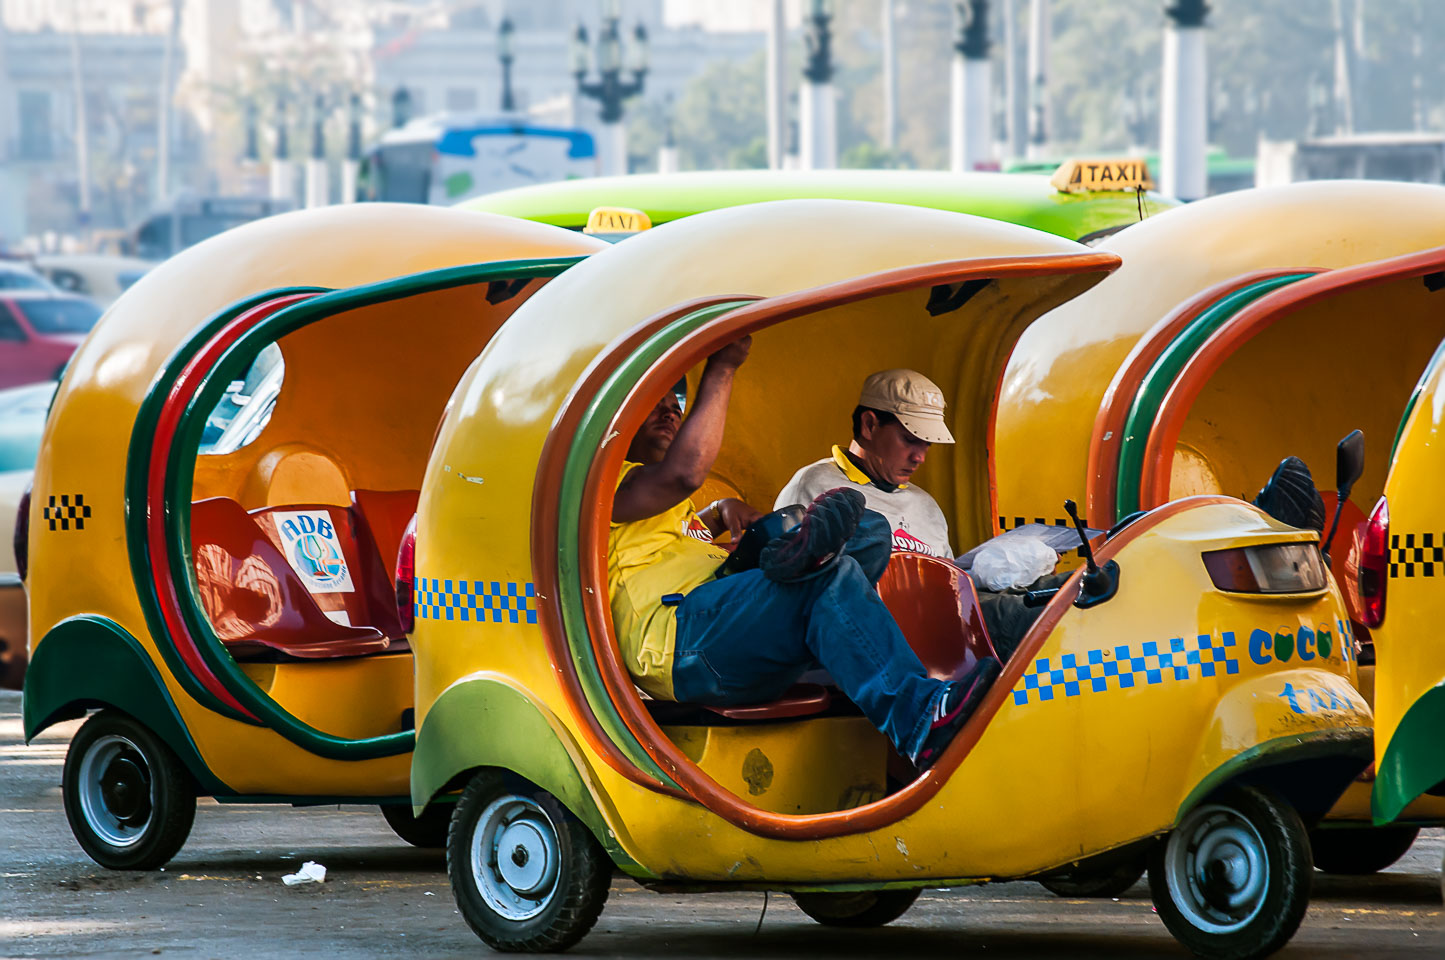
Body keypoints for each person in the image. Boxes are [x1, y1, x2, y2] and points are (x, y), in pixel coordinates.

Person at [609, 338, 999, 771]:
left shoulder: (667, 510)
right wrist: (723, 365)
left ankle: (794, 554)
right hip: (676, 639)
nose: (670, 411)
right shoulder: (605, 489)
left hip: (724, 618)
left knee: (869, 530)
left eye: (675, 404)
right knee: (829, 572)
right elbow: (682, 473)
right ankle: (920, 719)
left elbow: (676, 518)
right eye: (654, 404)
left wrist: (718, 512)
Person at [774, 369, 954, 558]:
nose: (920, 458)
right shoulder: (814, 485)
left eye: (927, 444)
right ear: (869, 425)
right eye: (909, 440)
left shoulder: (928, 507)